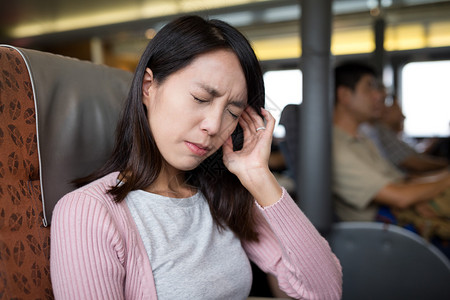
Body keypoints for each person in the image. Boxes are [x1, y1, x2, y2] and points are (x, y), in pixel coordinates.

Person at [50, 16, 342, 299]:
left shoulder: (223, 195)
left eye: (232, 112)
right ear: (148, 87)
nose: (214, 126)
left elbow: (325, 293)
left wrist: (259, 176)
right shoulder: (88, 212)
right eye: (201, 99)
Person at [332, 61, 450, 240]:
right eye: (369, 88)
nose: (379, 95)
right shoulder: (337, 149)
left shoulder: (362, 139)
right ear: (345, 95)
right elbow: (400, 197)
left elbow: (402, 182)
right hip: (385, 232)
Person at [360, 95, 449, 174]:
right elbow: (415, 164)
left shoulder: (392, 134)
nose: (403, 116)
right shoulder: (383, 133)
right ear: (386, 113)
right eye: (398, 110)